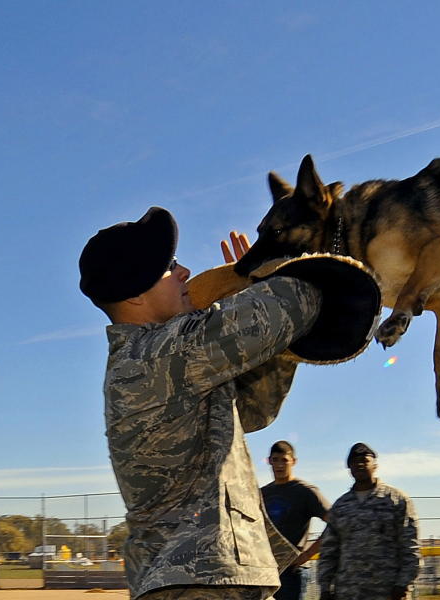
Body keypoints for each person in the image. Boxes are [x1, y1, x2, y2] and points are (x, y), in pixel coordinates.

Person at [81, 208, 347, 600]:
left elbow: (256, 410)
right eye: (170, 266)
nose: (185, 271)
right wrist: (273, 271)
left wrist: (249, 296)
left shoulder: (166, 357)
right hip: (197, 580)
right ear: (136, 294)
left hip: (209, 576)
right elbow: (293, 305)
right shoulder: (158, 353)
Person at [317, 443, 420, 600]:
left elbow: (410, 547)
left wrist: (403, 585)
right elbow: (329, 551)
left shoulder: (396, 500)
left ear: (375, 465)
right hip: (348, 592)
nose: (359, 465)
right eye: (354, 462)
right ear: (349, 468)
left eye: (365, 460)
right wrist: (325, 589)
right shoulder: (340, 506)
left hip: (387, 591)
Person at [261, 441, 330, 600]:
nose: (279, 465)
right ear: (269, 461)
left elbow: (335, 523)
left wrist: (307, 554)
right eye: (276, 459)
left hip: (293, 571)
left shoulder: (305, 492)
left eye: (284, 460)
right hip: (267, 570)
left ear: (293, 461)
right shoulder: (263, 493)